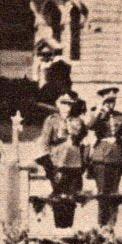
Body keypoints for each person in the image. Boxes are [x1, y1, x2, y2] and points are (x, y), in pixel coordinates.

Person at [38, 90, 88, 229]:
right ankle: (59, 225)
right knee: (59, 194)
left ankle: (69, 226)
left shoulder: (78, 121)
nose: (66, 107)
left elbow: (84, 140)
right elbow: (45, 143)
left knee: (72, 195)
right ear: (58, 105)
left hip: (75, 163)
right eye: (63, 104)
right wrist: (48, 164)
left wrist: (83, 162)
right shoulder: (52, 120)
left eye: (69, 104)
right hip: (57, 162)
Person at [87, 86, 122, 228]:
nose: (110, 104)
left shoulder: (120, 116)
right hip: (102, 158)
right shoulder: (97, 114)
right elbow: (90, 126)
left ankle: (112, 225)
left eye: (112, 101)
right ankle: (102, 224)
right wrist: (99, 110)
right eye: (107, 101)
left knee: (114, 192)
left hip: (116, 157)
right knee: (102, 193)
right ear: (103, 102)